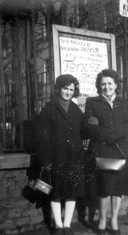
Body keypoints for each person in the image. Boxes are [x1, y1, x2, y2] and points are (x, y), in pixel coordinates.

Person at [82, 69, 128, 235]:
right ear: (99, 86)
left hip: (119, 149)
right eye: (103, 84)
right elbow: (88, 126)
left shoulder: (124, 102)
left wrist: (114, 133)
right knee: (104, 187)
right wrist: (106, 134)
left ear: (116, 85)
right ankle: (102, 218)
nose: (106, 87)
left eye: (109, 83)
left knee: (117, 187)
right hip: (102, 149)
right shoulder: (92, 102)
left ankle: (114, 219)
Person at [37, 74, 85, 235]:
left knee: (72, 191)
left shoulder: (76, 110)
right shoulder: (48, 109)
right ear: (58, 89)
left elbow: (83, 132)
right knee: (55, 192)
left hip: (74, 158)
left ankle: (67, 225)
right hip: (56, 158)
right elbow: (43, 138)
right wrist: (45, 160)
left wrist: (93, 123)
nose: (68, 92)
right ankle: (58, 225)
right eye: (65, 88)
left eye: (71, 89)